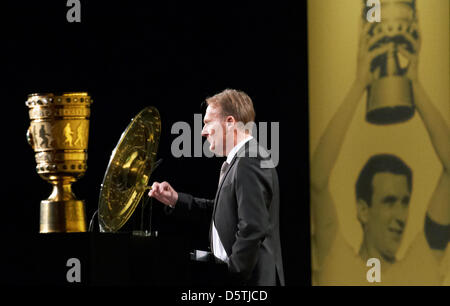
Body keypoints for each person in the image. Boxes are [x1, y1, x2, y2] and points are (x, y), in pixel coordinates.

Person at [310, 25, 449, 285]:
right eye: (389, 201)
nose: (401, 215)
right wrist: (359, 85)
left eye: (404, 201)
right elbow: (317, 178)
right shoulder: (338, 263)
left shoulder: (420, 267)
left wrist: (414, 86)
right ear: (363, 210)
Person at [149, 89, 285, 286]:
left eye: (207, 123)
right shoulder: (241, 161)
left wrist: (231, 274)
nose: (203, 131)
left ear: (230, 122)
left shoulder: (250, 159)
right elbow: (225, 213)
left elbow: (254, 226)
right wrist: (176, 200)